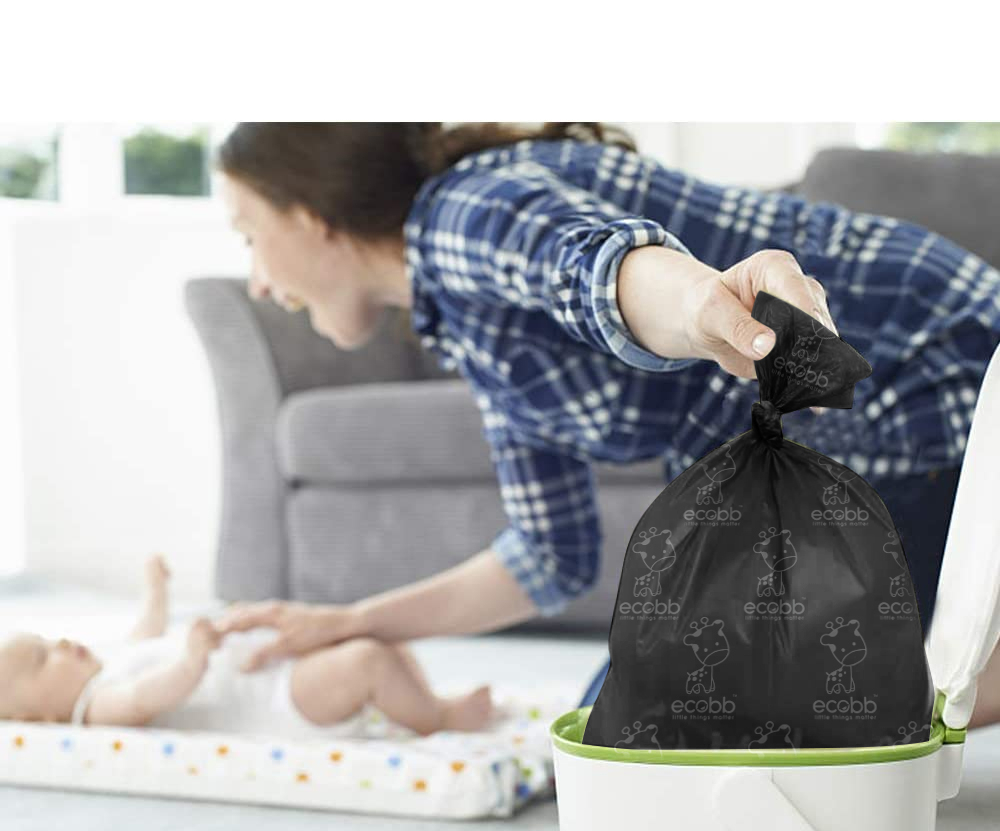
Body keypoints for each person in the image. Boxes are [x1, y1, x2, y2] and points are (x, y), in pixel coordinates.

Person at [213, 122, 1000, 728]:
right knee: (610, 726)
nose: (256, 281)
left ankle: (963, 665)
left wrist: (698, 308)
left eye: (250, 235)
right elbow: (549, 555)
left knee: (660, 729)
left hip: (927, 367)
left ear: (311, 217)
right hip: (860, 421)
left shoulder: (459, 213)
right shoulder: (467, 326)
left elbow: (593, 266)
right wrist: (349, 622)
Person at [0, 556, 492, 737]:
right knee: (368, 662)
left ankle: (422, 699)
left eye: (47, 639)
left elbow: (148, 629)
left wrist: (155, 589)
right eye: (43, 657)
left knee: (371, 640)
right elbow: (146, 698)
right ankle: (439, 719)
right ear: (37, 718)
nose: (60, 643)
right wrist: (192, 662)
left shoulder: (113, 662)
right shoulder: (98, 707)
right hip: (277, 704)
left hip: (273, 670)